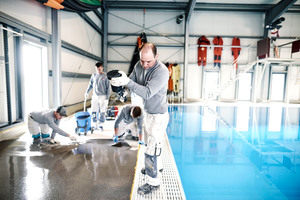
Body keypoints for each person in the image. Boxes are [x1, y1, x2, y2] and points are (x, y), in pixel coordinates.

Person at [110, 43, 169, 195]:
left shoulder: (162, 72)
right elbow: (131, 80)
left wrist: (128, 82)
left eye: (148, 61)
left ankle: (153, 183)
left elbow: (147, 93)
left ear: (157, 57)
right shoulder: (139, 65)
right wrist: (121, 86)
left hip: (159, 116)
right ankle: (158, 166)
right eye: (142, 61)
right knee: (152, 145)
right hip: (148, 112)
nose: (144, 65)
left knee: (151, 151)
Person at [85, 62, 111, 130]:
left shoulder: (105, 76)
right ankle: (94, 124)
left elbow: (108, 88)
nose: (98, 71)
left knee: (103, 111)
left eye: (99, 69)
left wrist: (107, 98)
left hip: (103, 96)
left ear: (102, 68)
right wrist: (87, 92)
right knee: (93, 110)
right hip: (95, 95)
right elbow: (90, 84)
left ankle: (101, 125)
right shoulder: (94, 75)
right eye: (97, 69)